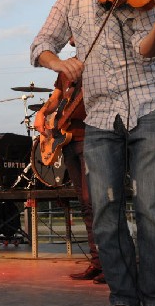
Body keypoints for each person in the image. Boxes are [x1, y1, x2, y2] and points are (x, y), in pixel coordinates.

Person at [30, 0, 155, 306]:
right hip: (99, 115)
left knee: (151, 210)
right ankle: (122, 299)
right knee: (104, 214)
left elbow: (147, 52)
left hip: (151, 105)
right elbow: (39, 45)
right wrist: (60, 61)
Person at [35, 69, 104, 284]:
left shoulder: (94, 63)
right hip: (67, 142)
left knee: (95, 203)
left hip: (92, 137)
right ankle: (97, 262)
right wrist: (42, 113)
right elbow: (57, 97)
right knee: (85, 204)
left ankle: (112, 264)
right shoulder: (66, 69)